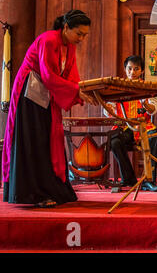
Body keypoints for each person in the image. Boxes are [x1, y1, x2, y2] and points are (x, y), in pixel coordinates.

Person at [2, 10, 97, 207]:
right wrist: (76, 91)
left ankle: (50, 189)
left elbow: (71, 77)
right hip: (30, 93)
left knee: (48, 139)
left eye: (84, 35)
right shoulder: (49, 40)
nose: (81, 38)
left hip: (46, 94)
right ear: (65, 28)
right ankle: (34, 193)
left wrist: (82, 91)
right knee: (35, 140)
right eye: (79, 33)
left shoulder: (69, 46)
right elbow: (47, 75)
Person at [104, 55, 157, 192]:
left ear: (141, 71)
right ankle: (129, 179)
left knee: (156, 140)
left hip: (144, 126)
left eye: (136, 69)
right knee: (114, 142)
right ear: (125, 69)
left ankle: (149, 180)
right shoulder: (117, 88)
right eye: (129, 69)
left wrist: (145, 102)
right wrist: (108, 108)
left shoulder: (148, 88)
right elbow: (109, 109)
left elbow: (153, 109)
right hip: (124, 127)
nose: (132, 72)